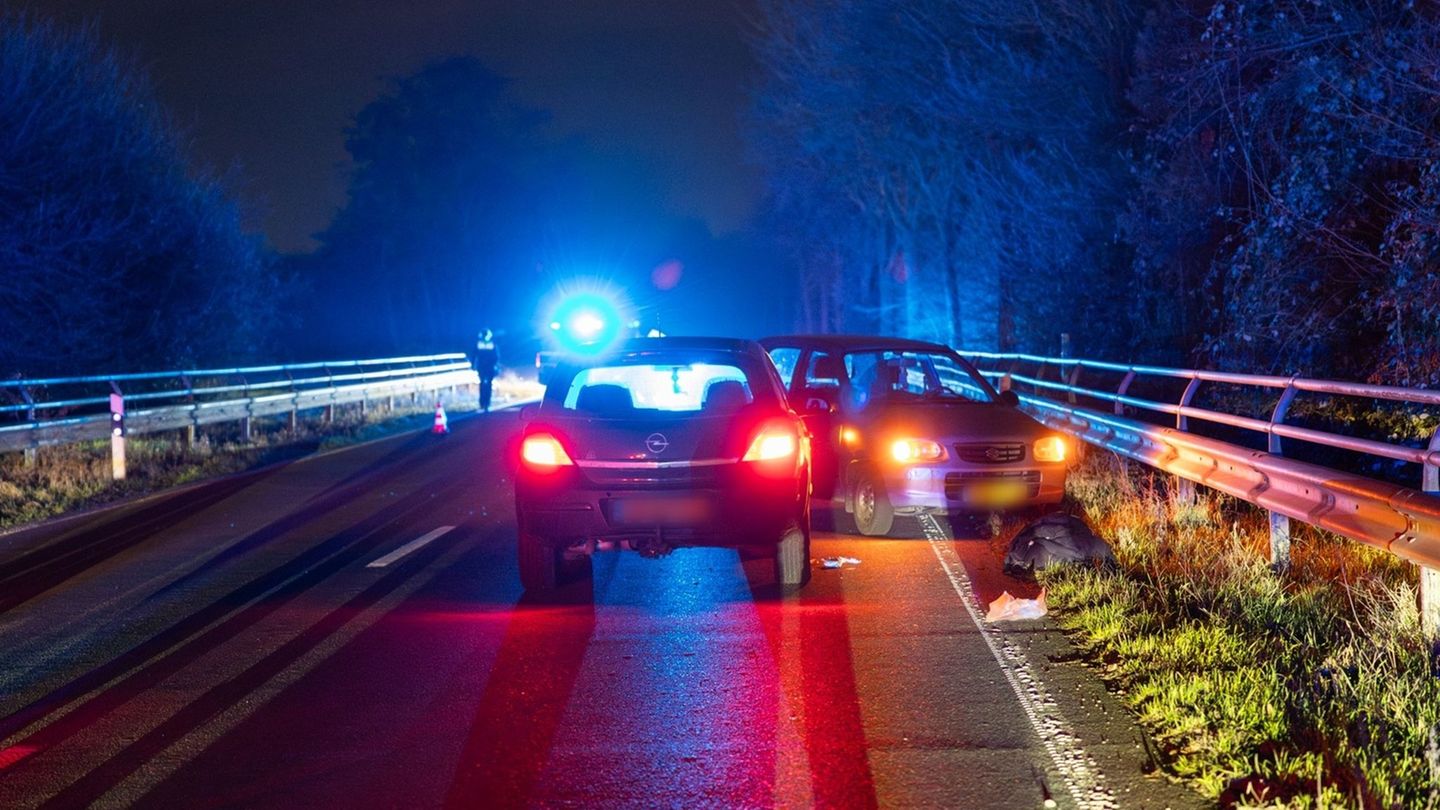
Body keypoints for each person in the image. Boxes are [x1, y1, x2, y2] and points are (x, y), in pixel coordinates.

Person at [473, 329, 499, 412]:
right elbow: (496, 356)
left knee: (482, 385)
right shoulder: (492, 344)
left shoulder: (479, 343)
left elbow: (474, 355)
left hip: (482, 367)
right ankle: (487, 403)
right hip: (489, 367)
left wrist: (473, 365)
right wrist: (495, 365)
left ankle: (482, 403)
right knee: (488, 385)